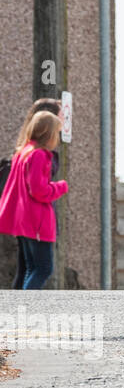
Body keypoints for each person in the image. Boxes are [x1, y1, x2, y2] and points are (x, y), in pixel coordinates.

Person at [0, 111, 69, 290]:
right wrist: (60, 186)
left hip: (23, 221)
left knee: (29, 268)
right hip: (36, 222)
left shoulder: (22, 153)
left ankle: (17, 311)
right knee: (43, 269)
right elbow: (39, 191)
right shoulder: (39, 155)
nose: (58, 137)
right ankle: (24, 311)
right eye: (57, 132)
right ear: (49, 133)